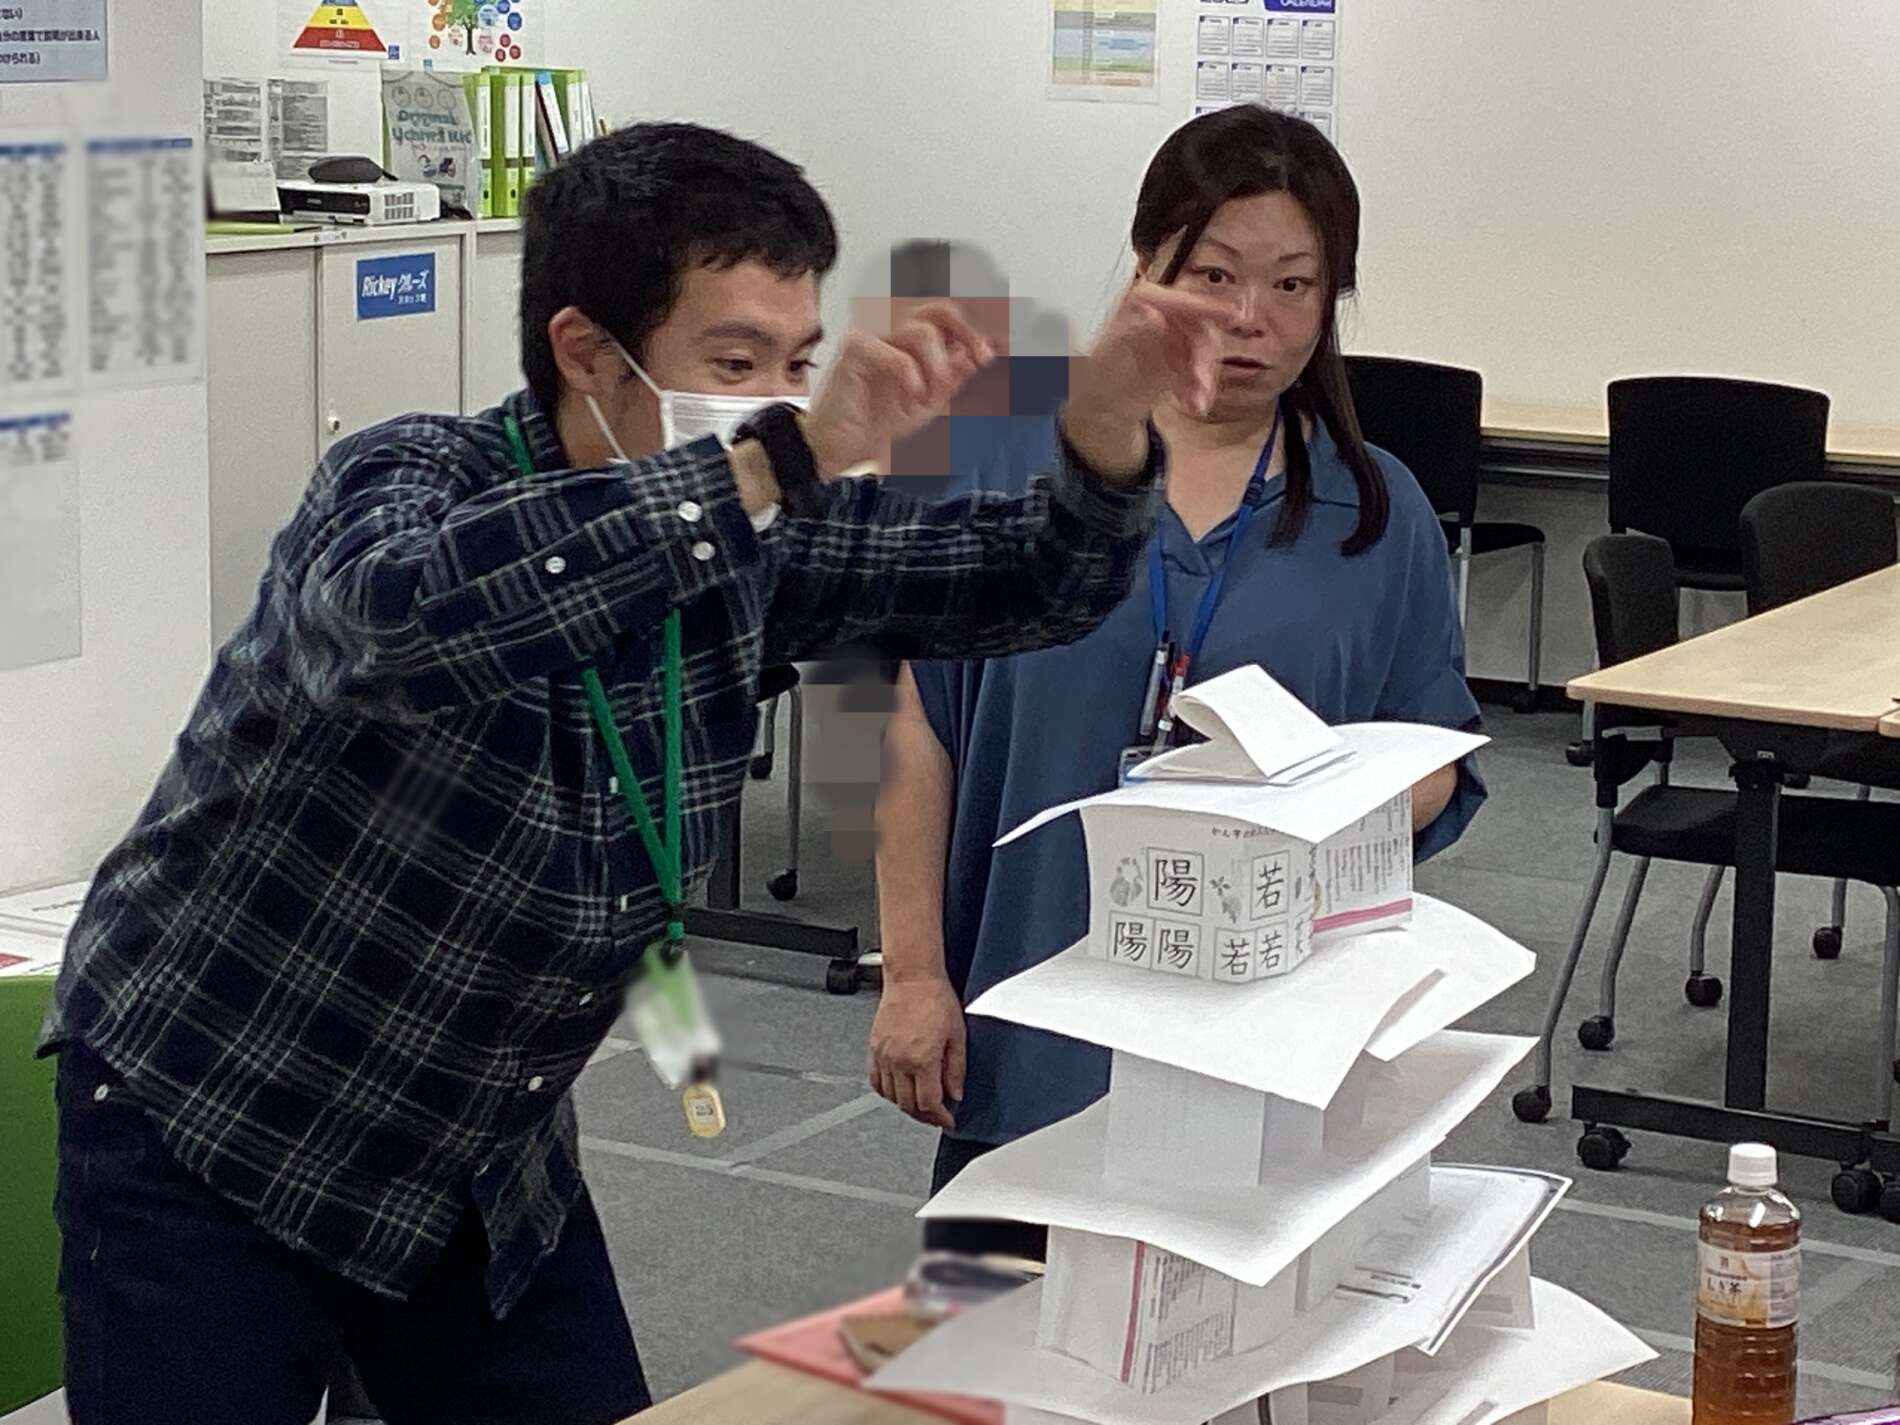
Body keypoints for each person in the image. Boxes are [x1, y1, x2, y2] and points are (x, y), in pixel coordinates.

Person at [41, 122, 1232, 1425]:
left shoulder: (758, 540)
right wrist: (775, 461)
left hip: (478, 1147)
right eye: (733, 363)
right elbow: (399, 619)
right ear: (585, 351)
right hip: (218, 1117)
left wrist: (1107, 436)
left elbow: (1024, 582)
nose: (777, 398)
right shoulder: (404, 479)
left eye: (798, 365)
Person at [868, 106, 1489, 1258]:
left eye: (1294, 285)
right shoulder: (999, 461)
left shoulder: (1375, 510)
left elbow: (1435, 762)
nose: (1250, 319)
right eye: (1214, 274)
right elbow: (920, 734)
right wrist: (912, 973)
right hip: (1030, 1038)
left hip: (1266, 1060)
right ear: (1147, 263)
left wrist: (1312, 803)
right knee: (996, 1333)